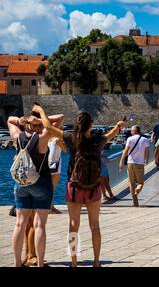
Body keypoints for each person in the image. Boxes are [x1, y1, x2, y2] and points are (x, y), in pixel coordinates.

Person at [38, 107, 125, 267]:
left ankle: (74, 262)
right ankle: (97, 261)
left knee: (73, 225)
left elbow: (48, 127)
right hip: (93, 188)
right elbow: (112, 133)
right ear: (91, 124)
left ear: (77, 123)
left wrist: (40, 111)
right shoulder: (97, 139)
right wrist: (119, 126)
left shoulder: (71, 137)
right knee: (95, 225)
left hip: (74, 186)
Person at [8, 110, 64, 267]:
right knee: (39, 225)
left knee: (20, 224)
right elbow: (59, 118)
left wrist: (22, 120)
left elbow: (10, 121)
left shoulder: (18, 137)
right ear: (37, 125)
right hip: (41, 183)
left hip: (22, 184)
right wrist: (39, 119)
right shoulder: (42, 138)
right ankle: (39, 263)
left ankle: (17, 263)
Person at [120, 125, 150, 207]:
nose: (131, 132)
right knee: (140, 183)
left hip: (130, 163)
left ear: (134, 131)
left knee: (131, 183)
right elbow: (147, 151)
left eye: (131, 131)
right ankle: (137, 192)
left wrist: (121, 161)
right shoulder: (145, 140)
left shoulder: (130, 139)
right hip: (139, 163)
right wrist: (146, 159)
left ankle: (135, 201)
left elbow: (126, 151)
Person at [48, 135, 67, 214]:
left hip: (47, 164)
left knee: (48, 187)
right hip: (55, 165)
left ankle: (50, 206)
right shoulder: (58, 139)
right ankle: (50, 207)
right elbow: (65, 150)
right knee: (52, 188)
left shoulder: (46, 138)